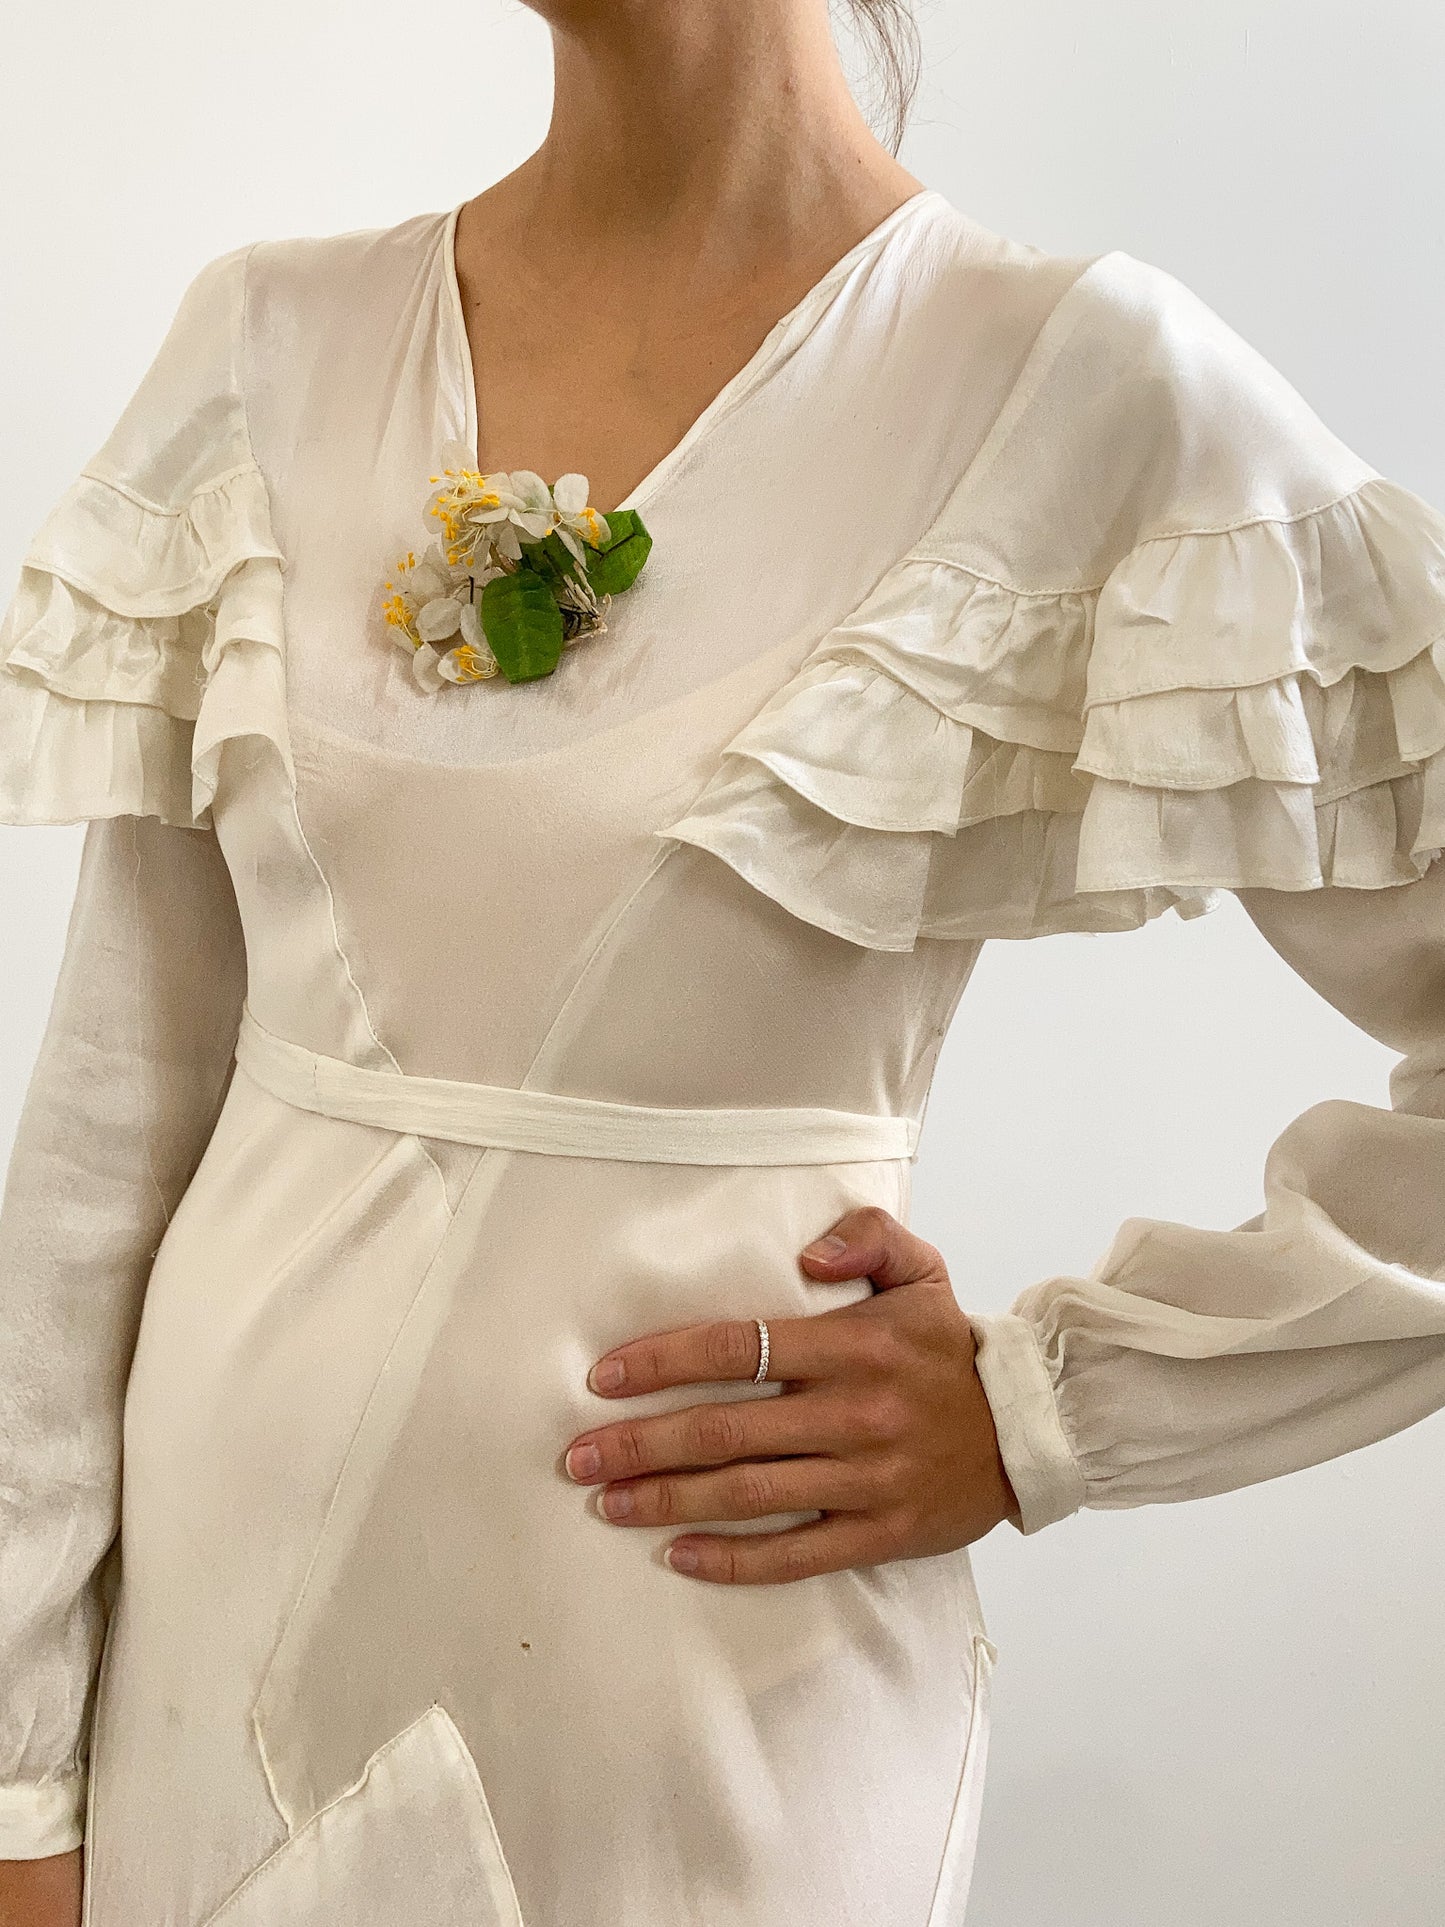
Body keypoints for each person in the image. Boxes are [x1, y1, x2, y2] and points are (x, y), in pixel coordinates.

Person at [2, 1, 1443, 1922]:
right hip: (194, 1689)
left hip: (705, 1699)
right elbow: (103, 1143)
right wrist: (20, 1781)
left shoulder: (1080, 386)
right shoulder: (267, 341)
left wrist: (1047, 1411)